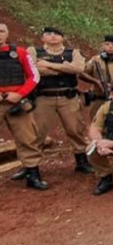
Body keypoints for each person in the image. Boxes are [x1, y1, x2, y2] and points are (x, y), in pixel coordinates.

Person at [28, 26, 93, 174]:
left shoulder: (73, 52)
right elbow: (33, 69)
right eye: (48, 34)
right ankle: (30, 166)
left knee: (75, 129)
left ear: (62, 37)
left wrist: (49, 65)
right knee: (37, 133)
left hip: (68, 97)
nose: (52, 36)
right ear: (42, 38)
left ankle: (81, 160)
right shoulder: (33, 51)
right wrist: (64, 68)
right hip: (43, 97)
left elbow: (78, 69)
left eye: (56, 34)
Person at [0, 23, 48, 190]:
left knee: (27, 138)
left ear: (7, 33)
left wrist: (19, 94)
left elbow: (34, 76)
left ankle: (32, 174)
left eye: (1, 31)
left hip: (17, 102)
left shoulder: (20, 53)